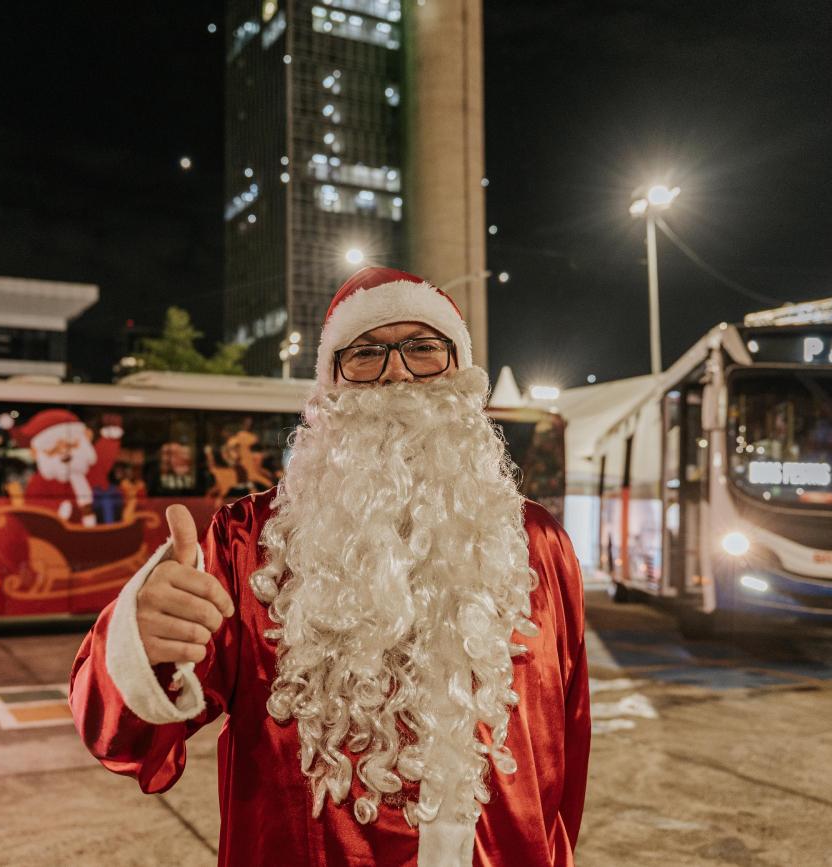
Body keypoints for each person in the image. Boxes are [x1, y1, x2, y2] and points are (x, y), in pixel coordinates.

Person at [70, 267, 591, 866]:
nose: (397, 370)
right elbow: (128, 740)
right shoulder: (247, 543)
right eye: (366, 353)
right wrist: (139, 644)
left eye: (423, 347)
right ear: (330, 388)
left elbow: (566, 754)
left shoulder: (538, 543)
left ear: (460, 371)